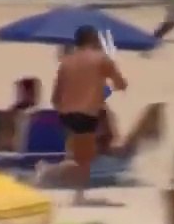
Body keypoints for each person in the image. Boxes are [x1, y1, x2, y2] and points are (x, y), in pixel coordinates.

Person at [39, 25, 129, 205]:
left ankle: (63, 181)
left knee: (77, 154)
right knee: (84, 159)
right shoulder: (101, 60)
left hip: (66, 114)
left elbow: (56, 97)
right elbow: (121, 84)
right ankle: (74, 192)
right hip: (87, 114)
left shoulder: (66, 62)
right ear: (93, 40)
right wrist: (103, 88)